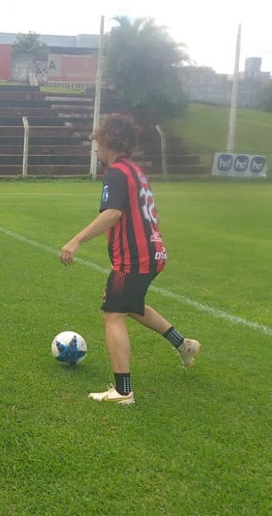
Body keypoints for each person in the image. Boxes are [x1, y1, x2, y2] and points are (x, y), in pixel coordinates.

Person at [59, 114, 200, 405]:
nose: (96, 148)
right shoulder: (135, 171)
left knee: (113, 315)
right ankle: (184, 345)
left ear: (107, 141)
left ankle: (123, 392)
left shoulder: (116, 173)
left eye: (97, 142)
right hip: (152, 252)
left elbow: (112, 213)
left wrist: (76, 240)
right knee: (129, 305)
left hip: (134, 257)